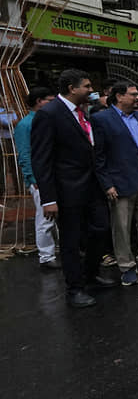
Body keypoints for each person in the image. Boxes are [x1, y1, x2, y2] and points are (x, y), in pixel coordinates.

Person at [31, 69, 118, 308]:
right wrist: (48, 199)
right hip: (67, 191)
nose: (91, 90)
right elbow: (42, 159)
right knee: (71, 241)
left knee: (100, 230)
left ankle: (90, 276)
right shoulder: (49, 115)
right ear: (72, 88)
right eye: (87, 86)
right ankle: (75, 289)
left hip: (92, 188)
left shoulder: (83, 112)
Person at [91, 83, 138, 287]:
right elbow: (99, 156)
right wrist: (107, 184)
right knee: (121, 226)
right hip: (119, 183)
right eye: (133, 95)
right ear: (119, 97)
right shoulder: (101, 119)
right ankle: (127, 266)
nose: (137, 98)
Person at [14, 87, 59, 269]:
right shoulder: (25, 125)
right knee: (45, 219)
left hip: (54, 175)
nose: (53, 103)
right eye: (49, 100)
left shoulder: (48, 120)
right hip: (40, 180)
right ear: (39, 101)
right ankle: (46, 257)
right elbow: (25, 154)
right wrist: (33, 180)